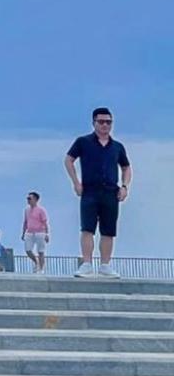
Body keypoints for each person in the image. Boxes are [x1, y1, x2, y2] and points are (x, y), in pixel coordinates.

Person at [66, 107, 132, 279]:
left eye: (108, 122)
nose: (105, 125)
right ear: (94, 123)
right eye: (101, 122)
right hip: (90, 190)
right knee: (87, 228)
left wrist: (125, 186)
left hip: (111, 192)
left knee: (108, 230)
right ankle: (87, 264)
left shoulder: (117, 147)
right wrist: (76, 183)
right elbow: (69, 160)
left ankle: (105, 265)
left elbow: (126, 167)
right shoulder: (83, 142)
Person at [22, 191, 51, 274]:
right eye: (27, 198)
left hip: (40, 232)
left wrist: (47, 234)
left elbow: (45, 223)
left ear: (35, 199)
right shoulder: (26, 210)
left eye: (29, 198)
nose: (28, 200)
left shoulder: (41, 210)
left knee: (41, 251)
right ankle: (36, 261)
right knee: (28, 250)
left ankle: (41, 269)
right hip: (29, 232)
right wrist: (23, 233)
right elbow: (25, 222)